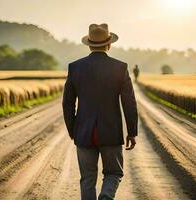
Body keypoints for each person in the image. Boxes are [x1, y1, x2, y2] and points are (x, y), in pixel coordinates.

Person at [62, 23, 138, 200]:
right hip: (111, 133)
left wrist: (73, 130)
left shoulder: (75, 67)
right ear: (109, 44)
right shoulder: (120, 67)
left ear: (89, 45)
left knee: (87, 179)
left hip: (83, 133)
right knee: (114, 173)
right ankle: (106, 196)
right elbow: (129, 103)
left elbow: (67, 103)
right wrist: (132, 132)